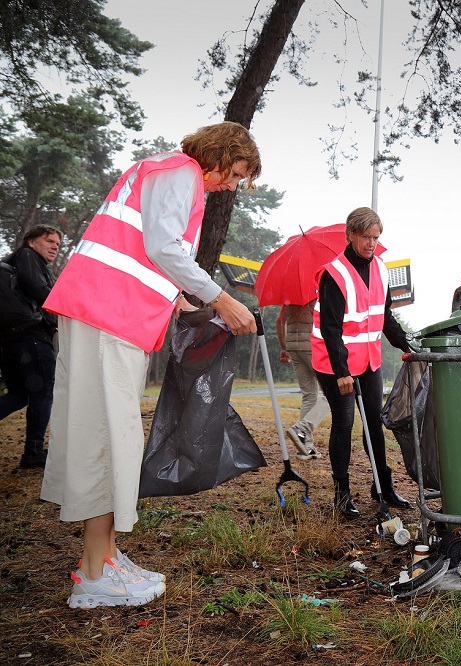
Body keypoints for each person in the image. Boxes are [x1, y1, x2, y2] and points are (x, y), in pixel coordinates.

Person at [40, 121, 261, 609]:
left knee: (109, 431)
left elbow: (146, 253)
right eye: (237, 172)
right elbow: (164, 247)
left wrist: (179, 300)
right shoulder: (182, 172)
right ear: (222, 154)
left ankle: (106, 557)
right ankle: (94, 575)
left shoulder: (160, 172)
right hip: (108, 315)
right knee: (109, 433)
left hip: (105, 313)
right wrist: (220, 299)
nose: (234, 185)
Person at [311, 207, 413, 519]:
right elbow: (330, 329)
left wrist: (406, 343)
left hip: (368, 361)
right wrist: (342, 372)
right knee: (344, 424)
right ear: (351, 235)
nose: (371, 243)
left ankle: (382, 485)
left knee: (374, 424)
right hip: (334, 364)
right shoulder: (334, 274)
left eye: (376, 237)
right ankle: (341, 494)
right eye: (366, 237)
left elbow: (385, 317)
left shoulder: (381, 269)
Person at [0, 224, 62, 468]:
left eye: (57, 244)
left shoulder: (21, 261)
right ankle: (33, 452)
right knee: (43, 390)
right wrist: (64, 307)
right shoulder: (27, 256)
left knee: (19, 394)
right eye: (49, 241)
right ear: (32, 242)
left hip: (11, 339)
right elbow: (37, 288)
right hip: (32, 337)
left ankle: (34, 450)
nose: (55, 247)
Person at [276, 301, 328, 460]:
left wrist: (283, 347)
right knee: (333, 394)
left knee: (309, 395)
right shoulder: (315, 296)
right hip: (312, 347)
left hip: (293, 347)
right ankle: (301, 427)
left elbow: (279, 321)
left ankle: (305, 448)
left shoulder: (289, 297)